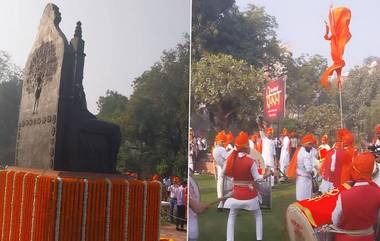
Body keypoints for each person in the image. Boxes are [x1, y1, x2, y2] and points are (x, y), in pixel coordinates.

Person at [223, 131, 263, 241]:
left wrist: (234, 181)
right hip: (250, 197)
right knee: (258, 214)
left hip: (235, 197)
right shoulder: (251, 161)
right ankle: (259, 239)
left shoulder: (231, 159)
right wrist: (266, 174)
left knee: (232, 214)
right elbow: (258, 178)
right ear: (245, 147)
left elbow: (225, 173)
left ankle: (229, 239)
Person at [332, 152, 380, 241]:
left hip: (345, 238)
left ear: (354, 170)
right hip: (368, 238)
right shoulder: (378, 192)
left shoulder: (344, 195)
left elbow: (335, 220)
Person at [288, 133, 315, 201]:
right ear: (305, 143)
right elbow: (309, 169)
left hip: (300, 178)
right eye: (310, 144)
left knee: (300, 199)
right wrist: (314, 170)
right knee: (306, 200)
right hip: (305, 179)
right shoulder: (305, 154)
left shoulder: (299, 151)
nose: (311, 146)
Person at [189, 171, 209, 241]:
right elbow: (197, 209)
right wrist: (202, 206)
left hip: (192, 225)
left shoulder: (190, 179)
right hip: (190, 231)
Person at [212, 131, 229, 210]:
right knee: (228, 186)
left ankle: (221, 203)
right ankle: (225, 203)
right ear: (218, 141)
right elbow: (228, 158)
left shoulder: (214, 150)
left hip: (220, 167)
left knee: (220, 186)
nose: (223, 143)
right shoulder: (221, 149)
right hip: (224, 168)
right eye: (222, 141)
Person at [257, 118, 276, 186]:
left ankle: (272, 184)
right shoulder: (264, 139)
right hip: (264, 157)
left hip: (270, 158)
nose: (269, 135)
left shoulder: (273, 142)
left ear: (271, 134)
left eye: (270, 134)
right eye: (268, 134)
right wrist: (260, 123)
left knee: (272, 170)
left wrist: (276, 161)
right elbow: (261, 131)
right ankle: (263, 182)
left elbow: (274, 153)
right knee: (264, 170)